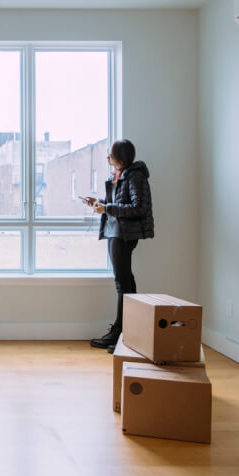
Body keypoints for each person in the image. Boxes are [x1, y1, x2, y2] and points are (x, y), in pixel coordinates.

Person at [81, 139, 154, 352]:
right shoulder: (121, 175)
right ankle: (125, 333)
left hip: (124, 234)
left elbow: (137, 207)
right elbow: (118, 202)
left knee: (123, 284)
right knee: (125, 283)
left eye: (110, 155)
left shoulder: (135, 175)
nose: (108, 158)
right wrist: (99, 202)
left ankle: (122, 334)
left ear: (120, 157)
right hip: (116, 232)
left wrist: (108, 208)